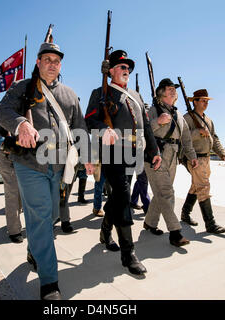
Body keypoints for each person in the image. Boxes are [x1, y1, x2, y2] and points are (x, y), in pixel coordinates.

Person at [0, 42, 94, 300]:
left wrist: (88, 157)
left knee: (51, 215)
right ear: (38, 63)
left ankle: (34, 248)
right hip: (29, 163)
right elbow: (1, 112)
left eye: (56, 60)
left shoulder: (70, 94)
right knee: (39, 214)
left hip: (61, 165)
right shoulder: (22, 88)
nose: (52, 63)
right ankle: (49, 282)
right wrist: (20, 125)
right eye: (47, 59)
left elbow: (79, 128)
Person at [85, 50, 161, 275]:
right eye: (121, 67)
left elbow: (146, 126)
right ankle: (129, 254)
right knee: (124, 199)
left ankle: (105, 230)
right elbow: (90, 120)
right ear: (110, 71)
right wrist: (104, 129)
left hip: (134, 155)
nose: (126, 70)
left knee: (120, 198)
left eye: (128, 67)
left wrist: (154, 150)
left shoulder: (136, 96)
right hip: (112, 154)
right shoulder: (101, 93)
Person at [143, 78, 198, 247]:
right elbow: (142, 131)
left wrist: (192, 155)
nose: (173, 90)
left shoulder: (179, 115)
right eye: (169, 88)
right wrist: (157, 122)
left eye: (174, 88)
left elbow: (186, 139)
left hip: (173, 156)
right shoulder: (153, 110)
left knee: (161, 193)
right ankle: (175, 232)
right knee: (167, 193)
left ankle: (150, 223)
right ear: (161, 93)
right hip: (155, 154)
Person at [181, 89, 225, 234]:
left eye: (207, 101)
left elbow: (214, 138)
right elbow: (182, 139)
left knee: (196, 186)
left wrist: (222, 153)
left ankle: (185, 213)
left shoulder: (208, 120)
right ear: (195, 101)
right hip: (194, 158)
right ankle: (210, 224)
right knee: (203, 187)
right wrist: (197, 132)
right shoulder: (187, 118)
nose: (206, 103)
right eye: (203, 100)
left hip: (206, 158)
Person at [0, 121, 24, 243]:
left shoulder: (28, 112)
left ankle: (14, 221)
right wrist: (4, 144)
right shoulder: (0, 116)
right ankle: (14, 230)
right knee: (12, 194)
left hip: (27, 159)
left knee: (22, 196)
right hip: (8, 159)